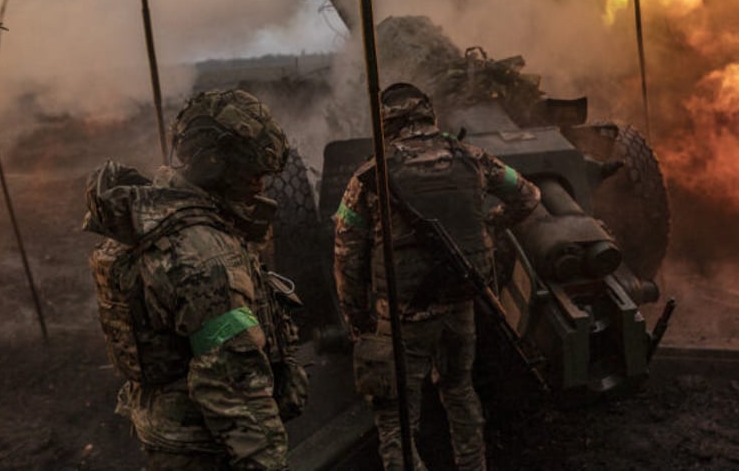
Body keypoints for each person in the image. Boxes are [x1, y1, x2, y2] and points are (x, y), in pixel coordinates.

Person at [84, 89, 307, 471]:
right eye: (252, 174)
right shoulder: (205, 254)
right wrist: (268, 461)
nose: (260, 186)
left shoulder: (155, 211)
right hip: (203, 444)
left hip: (165, 427)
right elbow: (231, 380)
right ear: (215, 164)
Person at [333, 82, 541, 471]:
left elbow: (347, 254)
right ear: (430, 114)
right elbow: (528, 196)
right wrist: (492, 225)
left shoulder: (368, 177)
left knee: (396, 418)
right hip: (461, 305)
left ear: (386, 124)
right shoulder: (473, 158)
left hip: (399, 318)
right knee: (459, 389)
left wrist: (356, 321)